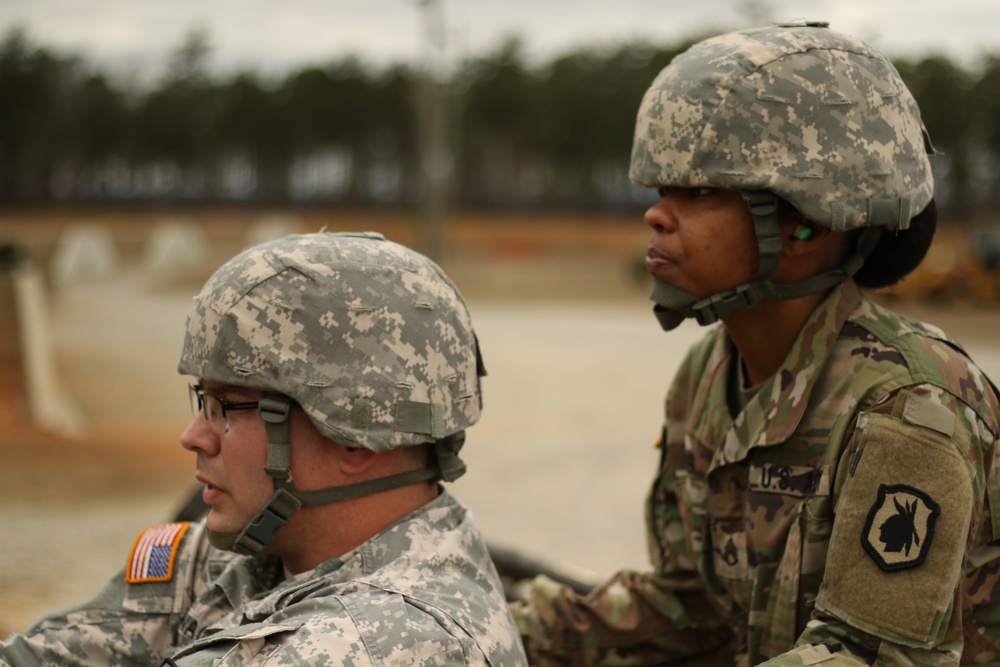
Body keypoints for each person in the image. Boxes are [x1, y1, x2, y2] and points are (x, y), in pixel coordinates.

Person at [510, 21, 1000, 667]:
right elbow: (694, 607)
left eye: (701, 192)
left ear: (807, 219)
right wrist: (492, 631)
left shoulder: (909, 407)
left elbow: (870, 656)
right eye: (662, 191)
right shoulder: (708, 374)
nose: (657, 216)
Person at [0, 231, 528, 666]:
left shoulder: (379, 645)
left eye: (227, 406)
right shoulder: (250, 553)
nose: (194, 437)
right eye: (201, 401)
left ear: (353, 437)